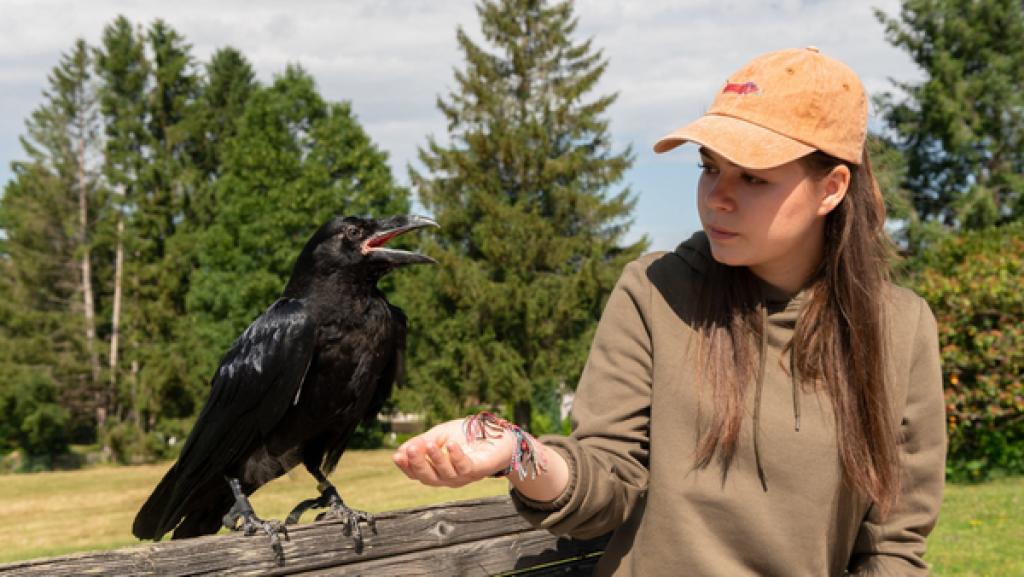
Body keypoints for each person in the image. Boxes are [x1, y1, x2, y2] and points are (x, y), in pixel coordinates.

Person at [392, 47, 946, 576]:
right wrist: (517, 453)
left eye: (752, 177)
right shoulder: (657, 290)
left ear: (832, 187)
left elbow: (893, 545)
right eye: (709, 168)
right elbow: (606, 482)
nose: (717, 197)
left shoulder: (899, 327)